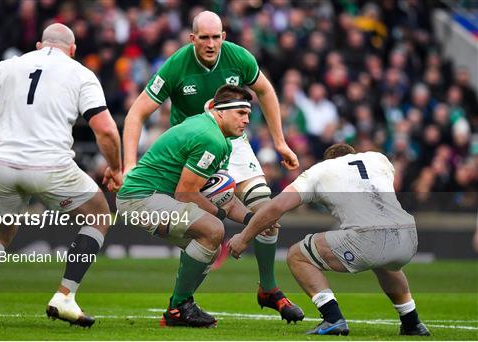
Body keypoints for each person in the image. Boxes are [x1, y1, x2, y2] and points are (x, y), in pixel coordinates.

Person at [0, 23, 122, 331]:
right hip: (50, 167)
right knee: (99, 214)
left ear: (38, 45)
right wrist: (115, 168)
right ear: (73, 50)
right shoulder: (80, 73)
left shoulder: (9, 65)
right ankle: (65, 295)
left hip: (3, 166)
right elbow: (104, 129)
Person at [123, 10, 303, 323]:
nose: (210, 43)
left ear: (224, 36)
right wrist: (127, 164)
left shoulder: (240, 58)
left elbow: (266, 91)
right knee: (204, 226)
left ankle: (269, 289)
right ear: (192, 38)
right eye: (203, 37)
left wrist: (279, 141)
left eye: (216, 37)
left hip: (230, 139)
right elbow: (136, 114)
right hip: (195, 147)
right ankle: (182, 302)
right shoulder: (177, 65)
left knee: (265, 208)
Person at [228, 143, 431, 336]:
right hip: (408, 234)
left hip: (368, 238)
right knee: (385, 262)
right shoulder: (378, 159)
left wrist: (244, 238)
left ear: (329, 160)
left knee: (297, 255)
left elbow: (277, 207)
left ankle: (333, 318)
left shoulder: (320, 170)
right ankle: (412, 322)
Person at [118, 85, 262, 327]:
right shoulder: (211, 138)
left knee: (212, 246)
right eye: (240, 113)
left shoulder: (218, 137)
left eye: (248, 114)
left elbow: (222, 195)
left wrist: (253, 219)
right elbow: (186, 194)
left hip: (152, 197)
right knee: (213, 229)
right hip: (140, 198)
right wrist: (220, 213)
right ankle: (180, 308)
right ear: (221, 112)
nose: (246, 120)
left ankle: (178, 308)